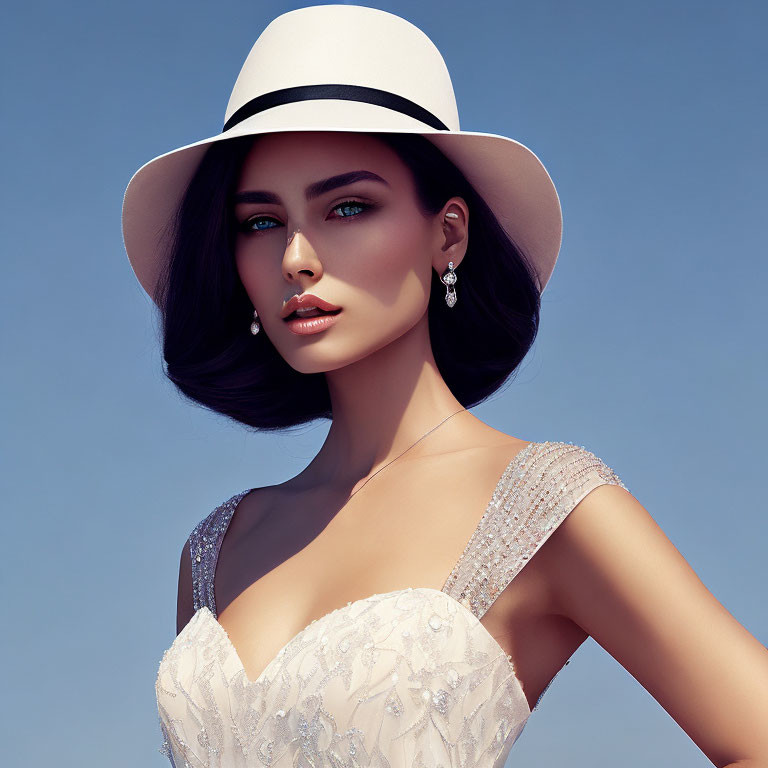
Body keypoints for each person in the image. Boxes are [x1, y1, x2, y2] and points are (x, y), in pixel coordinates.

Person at [122, 5, 768, 767]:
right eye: (260, 222)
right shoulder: (216, 546)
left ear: (448, 234)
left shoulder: (543, 503)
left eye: (348, 207)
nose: (295, 256)